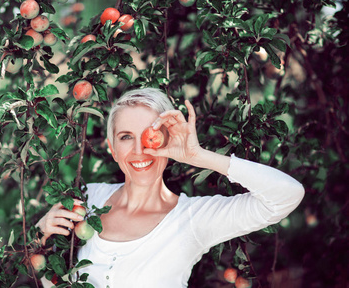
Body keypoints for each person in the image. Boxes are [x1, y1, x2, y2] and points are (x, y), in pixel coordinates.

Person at [37, 88, 304, 288]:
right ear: (112, 148)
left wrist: (198, 156)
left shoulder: (193, 219)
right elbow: (47, 278)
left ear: (168, 141)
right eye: (126, 137)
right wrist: (41, 237)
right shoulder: (88, 197)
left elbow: (286, 195)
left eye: (149, 135)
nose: (139, 150)